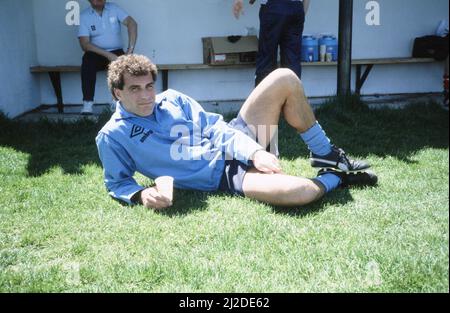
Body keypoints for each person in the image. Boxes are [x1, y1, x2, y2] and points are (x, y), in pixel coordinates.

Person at [96, 54, 377, 210]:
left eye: (149, 86)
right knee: (298, 192)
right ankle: (335, 178)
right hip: (225, 176)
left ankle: (326, 155)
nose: (146, 96)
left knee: (284, 78)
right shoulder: (112, 136)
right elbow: (118, 183)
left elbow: (215, 128)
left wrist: (254, 151)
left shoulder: (172, 99)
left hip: (237, 139)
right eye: (135, 89)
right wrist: (142, 195)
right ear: (117, 92)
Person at [78, 0, 138, 115]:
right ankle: (87, 103)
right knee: (87, 61)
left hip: (117, 51)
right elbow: (84, 44)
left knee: (123, 67)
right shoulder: (84, 16)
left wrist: (130, 51)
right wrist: (108, 55)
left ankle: (117, 101)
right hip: (97, 53)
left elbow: (132, 23)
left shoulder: (114, 8)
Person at [233, 0, 311, 86]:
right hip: (296, 7)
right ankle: (292, 97)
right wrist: (301, 13)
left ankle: (265, 98)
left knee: (267, 59)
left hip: (273, 7)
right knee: (292, 61)